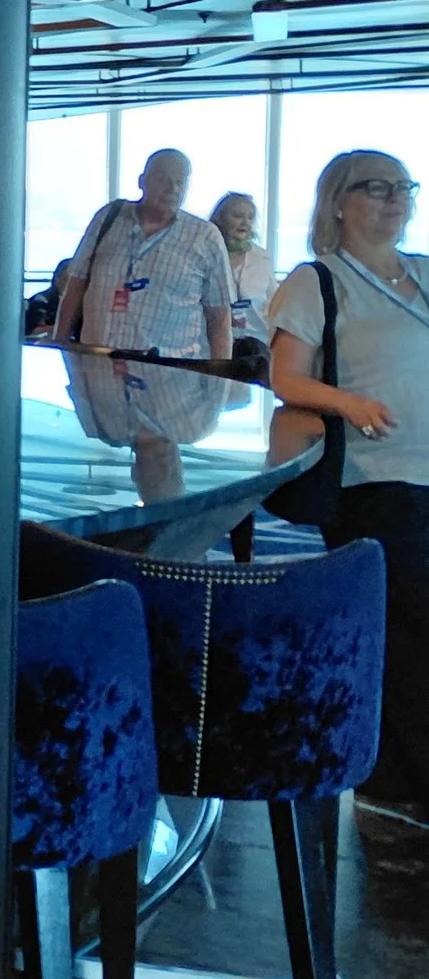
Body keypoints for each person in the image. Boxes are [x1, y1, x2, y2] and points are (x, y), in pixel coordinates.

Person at [268, 149, 429, 814]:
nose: (396, 199)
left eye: (404, 187)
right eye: (377, 187)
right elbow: (285, 377)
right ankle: (396, 784)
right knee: (407, 628)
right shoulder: (318, 281)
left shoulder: (422, 272)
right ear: (339, 201)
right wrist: (349, 403)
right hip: (378, 479)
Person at [54, 148, 236, 359]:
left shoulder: (205, 237)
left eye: (180, 182)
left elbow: (220, 318)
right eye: (162, 179)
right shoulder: (107, 219)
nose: (172, 189)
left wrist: (221, 373)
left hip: (171, 372)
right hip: (99, 365)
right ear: (142, 181)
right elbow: (75, 287)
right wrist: (59, 347)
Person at [209, 191, 277, 343]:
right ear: (220, 219)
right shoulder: (208, 254)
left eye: (250, 217)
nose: (245, 222)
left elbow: (273, 302)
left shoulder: (262, 258)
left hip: (257, 343)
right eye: (238, 216)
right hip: (214, 342)